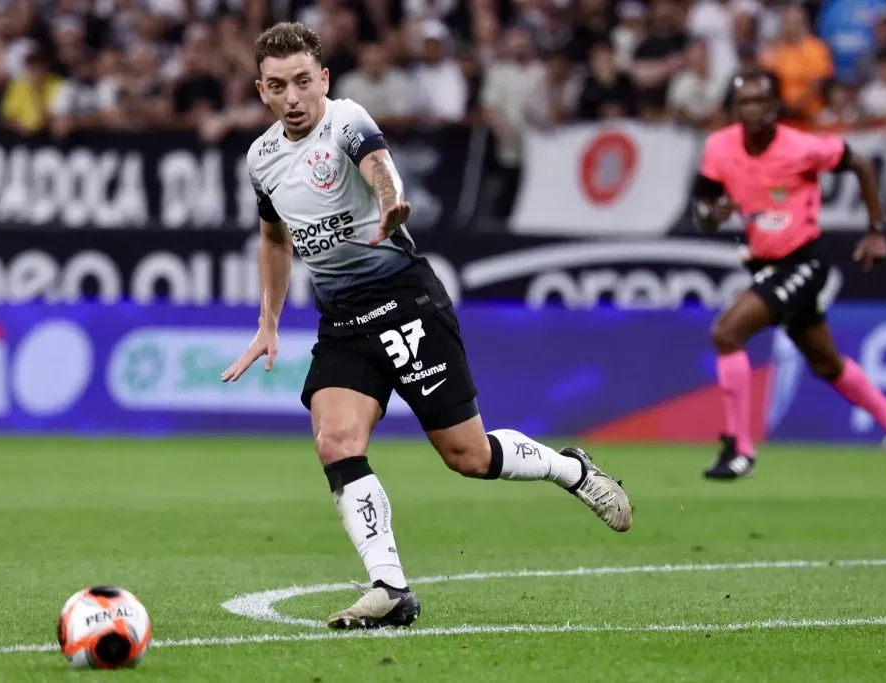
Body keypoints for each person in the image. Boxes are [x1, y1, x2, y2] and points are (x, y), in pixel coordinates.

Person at [220, 22, 633, 631]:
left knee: (468, 455)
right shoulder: (262, 159)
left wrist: (389, 201)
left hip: (405, 303)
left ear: (324, 79)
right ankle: (390, 588)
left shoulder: (347, 120)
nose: (293, 97)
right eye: (278, 86)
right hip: (344, 322)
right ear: (261, 90)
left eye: (303, 81)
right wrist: (268, 322)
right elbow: (274, 239)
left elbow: (379, 166)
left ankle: (571, 469)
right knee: (335, 441)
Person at [692, 72, 886, 484]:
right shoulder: (719, 147)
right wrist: (714, 215)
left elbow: (861, 163)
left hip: (803, 263)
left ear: (774, 108)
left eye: (760, 101)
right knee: (826, 362)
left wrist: (876, 231)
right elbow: (704, 213)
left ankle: (740, 449)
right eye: (743, 102)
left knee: (727, 333)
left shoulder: (802, 147)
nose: (752, 110)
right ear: (734, 109)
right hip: (763, 264)